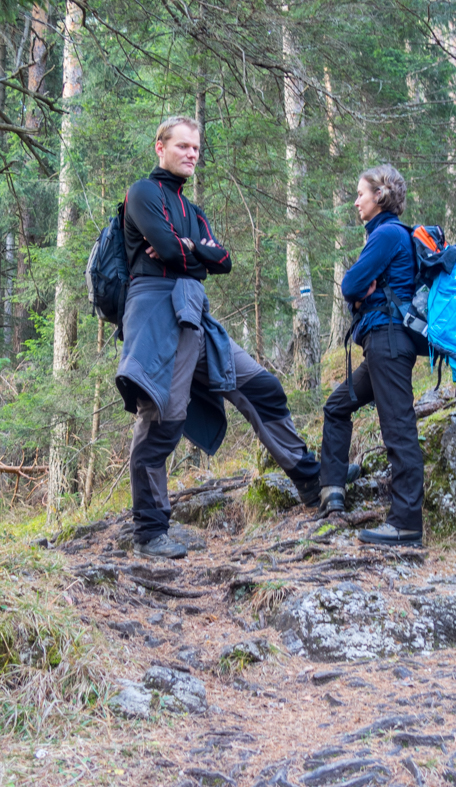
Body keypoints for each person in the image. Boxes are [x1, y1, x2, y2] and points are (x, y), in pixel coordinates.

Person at [115, 115, 321, 559]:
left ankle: (310, 478)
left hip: (194, 311)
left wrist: (190, 250)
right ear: (160, 147)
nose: (191, 154)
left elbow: (223, 259)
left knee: (260, 386)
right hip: (154, 311)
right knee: (160, 420)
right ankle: (150, 532)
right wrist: (193, 252)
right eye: (183, 146)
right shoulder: (143, 193)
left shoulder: (192, 211)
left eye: (196, 148)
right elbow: (171, 252)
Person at [318, 164, 424, 545]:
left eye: (360, 193)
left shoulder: (388, 234)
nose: (355, 200)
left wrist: (361, 290)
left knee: (398, 429)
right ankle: (331, 491)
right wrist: (362, 289)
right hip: (382, 345)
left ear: (379, 195)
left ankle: (406, 523)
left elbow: (350, 284)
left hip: (389, 343)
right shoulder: (385, 235)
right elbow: (357, 287)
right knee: (337, 406)